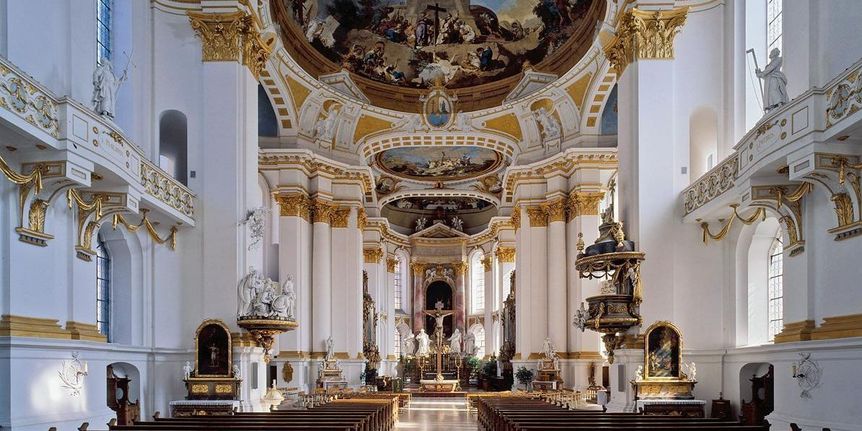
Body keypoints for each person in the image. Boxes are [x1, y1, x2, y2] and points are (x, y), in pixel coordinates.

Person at [756, 48, 789, 112]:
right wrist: (759, 73)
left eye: (772, 52)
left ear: (775, 53)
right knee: (770, 93)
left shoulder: (778, 59)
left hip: (775, 77)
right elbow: (766, 75)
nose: (770, 54)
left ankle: (779, 103)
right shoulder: (770, 63)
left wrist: (761, 74)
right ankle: (772, 105)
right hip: (769, 79)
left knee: (774, 90)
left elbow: (771, 68)